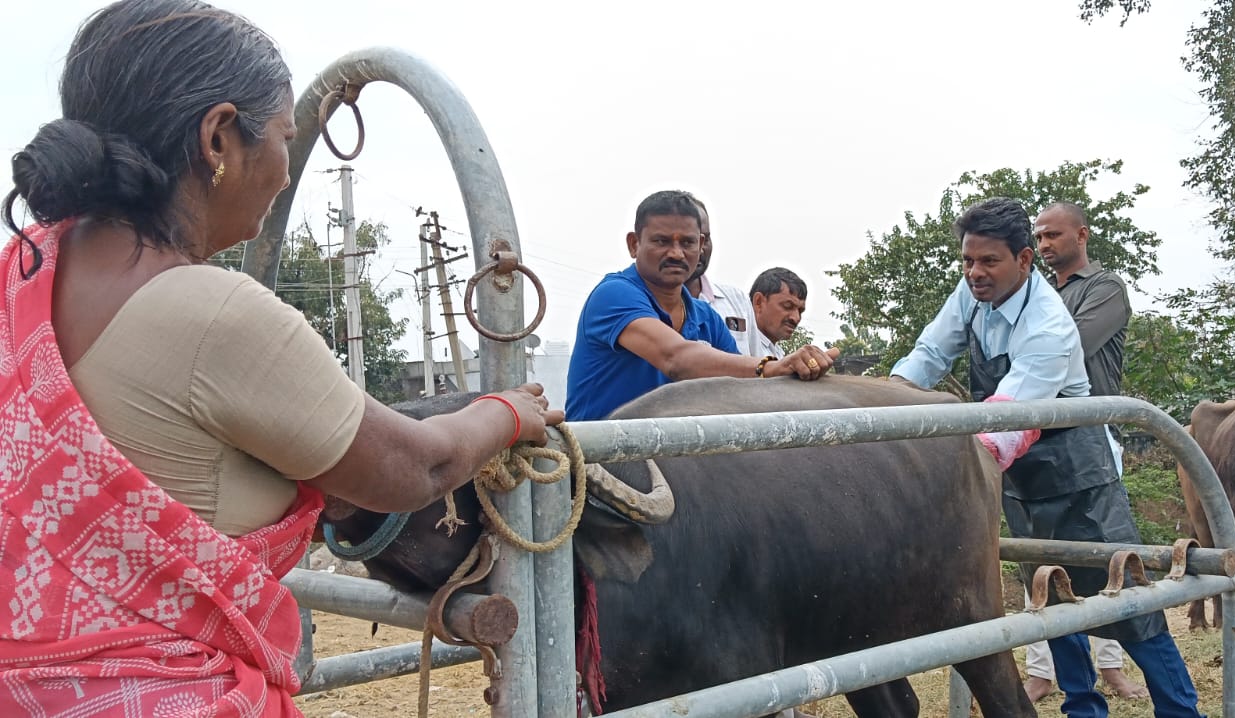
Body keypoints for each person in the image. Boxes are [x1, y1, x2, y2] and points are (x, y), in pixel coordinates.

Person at [0, 2, 562, 716]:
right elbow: (413, 467)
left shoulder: (22, 274)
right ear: (218, 139)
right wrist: (506, 413)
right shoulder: (215, 314)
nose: (282, 168)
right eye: (282, 139)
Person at [889, 197, 1202, 718]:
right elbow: (927, 354)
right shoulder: (970, 297)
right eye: (968, 261)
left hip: (1076, 474)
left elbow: (1008, 417)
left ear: (1025, 260)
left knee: (1126, 601)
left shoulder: (1050, 325)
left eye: (989, 261)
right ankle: (1082, 708)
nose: (975, 273)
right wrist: (889, 407)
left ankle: (1180, 711)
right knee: (1049, 596)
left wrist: (941, 472)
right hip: (1020, 477)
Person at [564, 190, 837, 422]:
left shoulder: (706, 317)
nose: (676, 253)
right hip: (599, 468)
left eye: (687, 242)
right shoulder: (614, 295)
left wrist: (801, 369)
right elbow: (676, 359)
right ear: (634, 244)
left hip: (675, 467)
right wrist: (771, 367)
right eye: (661, 241)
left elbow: (740, 388)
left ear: (701, 246)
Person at [1026, 201, 1148, 701]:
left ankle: (1114, 667)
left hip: (1092, 436)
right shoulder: (1038, 291)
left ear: (1082, 235)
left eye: (1054, 235)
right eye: (1038, 236)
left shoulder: (1105, 288)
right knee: (1038, 557)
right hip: (1039, 438)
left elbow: (1063, 350)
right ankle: (1042, 671)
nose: (1044, 244)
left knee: (1107, 554)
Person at [684, 195, 757, 355]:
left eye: (706, 239)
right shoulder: (639, 300)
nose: (700, 249)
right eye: (689, 240)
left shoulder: (737, 300)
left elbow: (756, 368)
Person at [749, 267, 809, 359]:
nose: (796, 318)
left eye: (800, 311)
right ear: (759, 302)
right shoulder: (740, 347)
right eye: (788, 306)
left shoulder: (778, 353)